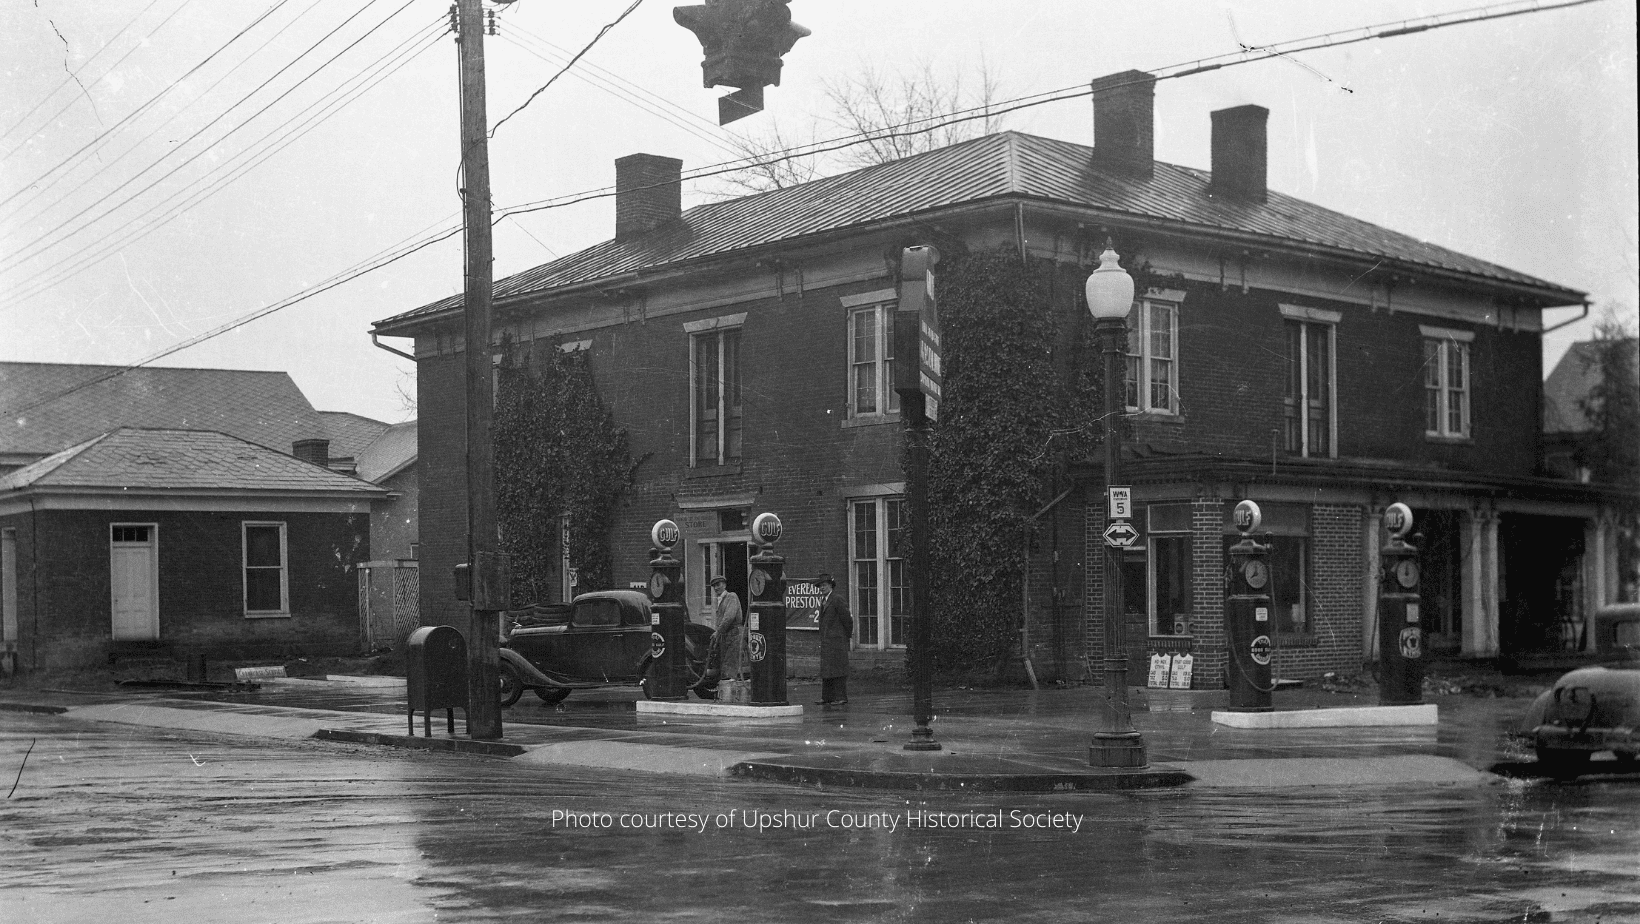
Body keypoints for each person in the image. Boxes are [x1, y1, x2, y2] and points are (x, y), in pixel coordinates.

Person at [815, 573, 852, 705]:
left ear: (831, 585)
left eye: (824, 585)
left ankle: (841, 697)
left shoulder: (837, 599)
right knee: (827, 669)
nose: (821, 588)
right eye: (820, 586)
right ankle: (827, 697)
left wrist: (845, 636)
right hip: (827, 641)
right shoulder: (824, 600)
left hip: (837, 641)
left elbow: (847, 619)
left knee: (838, 669)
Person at [705, 575, 746, 681]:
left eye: (718, 585)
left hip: (734, 634)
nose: (716, 588)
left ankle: (730, 695)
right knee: (724, 667)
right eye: (714, 586)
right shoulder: (720, 600)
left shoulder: (731, 597)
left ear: (724, 585)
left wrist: (718, 632)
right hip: (726, 635)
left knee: (730, 668)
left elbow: (729, 617)